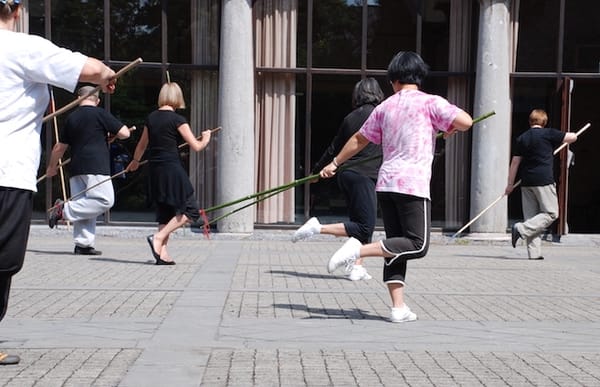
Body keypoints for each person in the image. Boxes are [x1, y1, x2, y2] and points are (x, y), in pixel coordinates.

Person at [0, 0, 117, 365]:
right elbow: (93, 70)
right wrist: (106, 76)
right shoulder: (22, 47)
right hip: (6, 173)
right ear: (15, 11)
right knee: (2, 262)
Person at [318, 51, 473, 323]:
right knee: (417, 244)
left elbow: (359, 139)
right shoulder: (430, 103)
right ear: (419, 76)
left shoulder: (385, 107)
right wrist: (451, 128)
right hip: (412, 184)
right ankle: (355, 251)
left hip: (386, 182)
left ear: (393, 80)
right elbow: (467, 121)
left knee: (394, 248)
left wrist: (334, 162)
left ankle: (398, 308)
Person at [292, 78, 384, 281]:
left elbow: (334, 148)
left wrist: (316, 173)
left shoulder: (350, 118)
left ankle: (356, 266)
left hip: (347, 174)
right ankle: (316, 227)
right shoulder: (380, 115)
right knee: (365, 226)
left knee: (360, 221)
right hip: (364, 175)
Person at [127, 82, 212, 265]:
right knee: (191, 210)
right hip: (171, 168)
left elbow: (142, 145)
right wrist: (206, 137)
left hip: (155, 169)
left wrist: (134, 162)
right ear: (177, 97)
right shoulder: (177, 120)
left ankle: (162, 253)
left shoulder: (152, 118)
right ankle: (158, 237)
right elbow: (196, 147)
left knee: (165, 211)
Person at [46, 86, 132, 255]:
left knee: (85, 204)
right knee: (105, 200)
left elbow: (59, 147)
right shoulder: (100, 114)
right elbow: (125, 134)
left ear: (78, 98)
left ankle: (83, 244)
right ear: (97, 100)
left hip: (77, 167)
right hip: (96, 165)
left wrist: (52, 167)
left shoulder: (72, 118)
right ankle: (63, 210)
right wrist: (112, 134)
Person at [505, 109, 577, 259]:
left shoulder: (522, 138)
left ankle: (534, 253)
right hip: (544, 180)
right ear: (544, 122)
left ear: (530, 121)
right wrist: (572, 136)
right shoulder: (548, 133)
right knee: (551, 213)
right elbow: (572, 137)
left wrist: (510, 184)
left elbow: (515, 163)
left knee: (532, 217)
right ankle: (521, 229)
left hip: (526, 182)